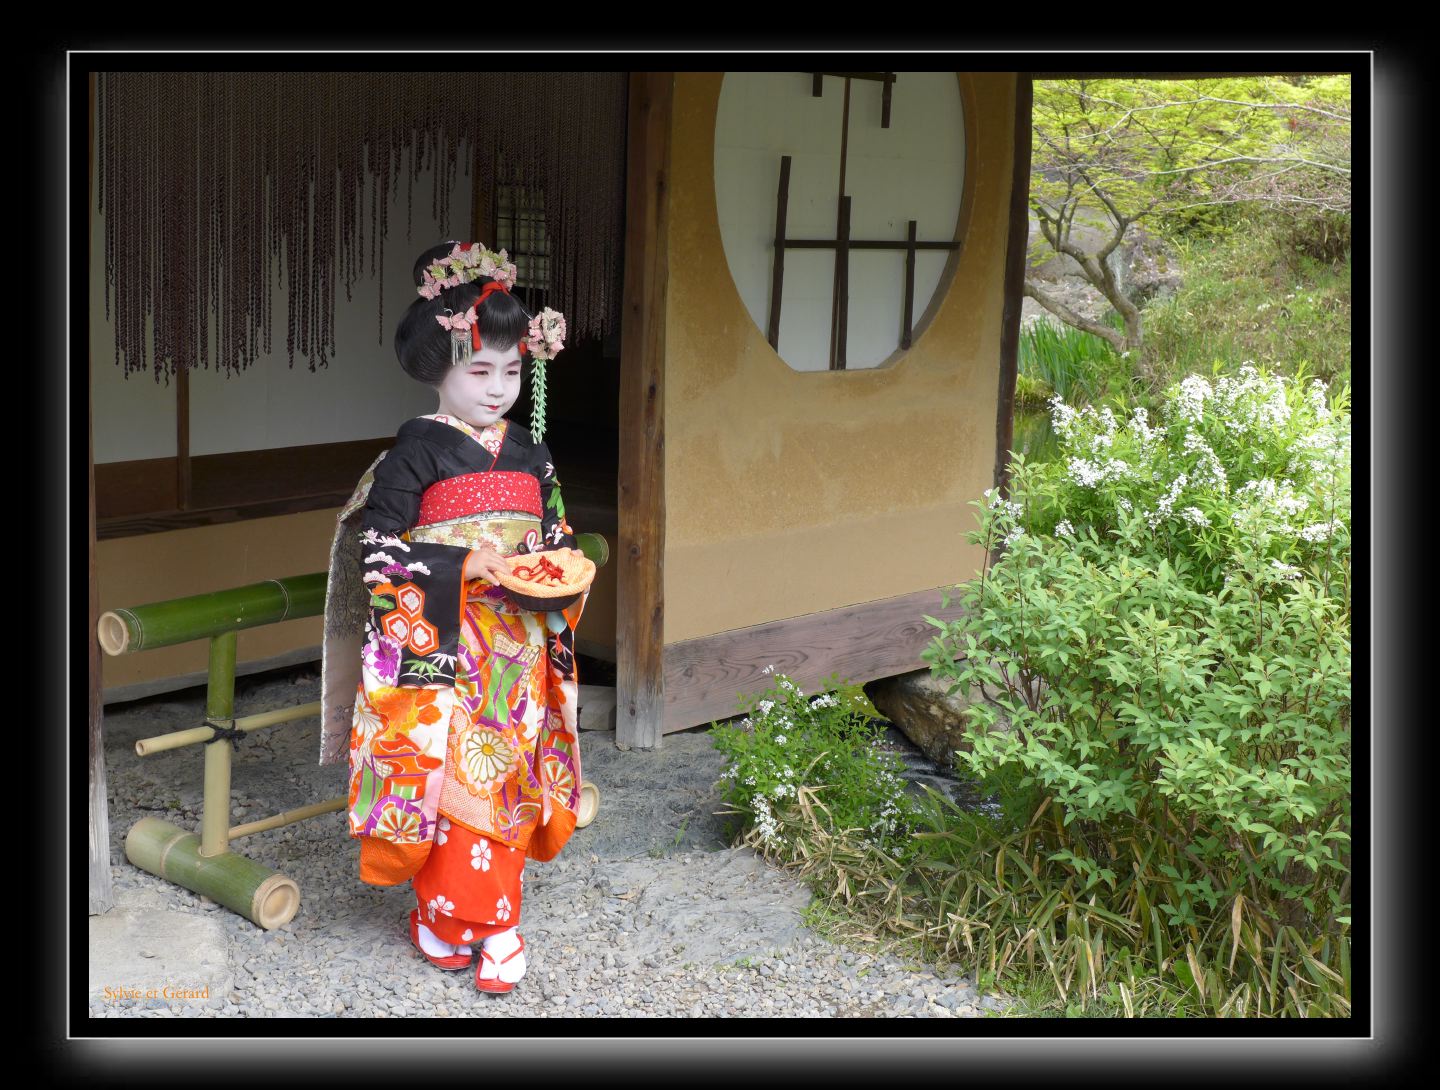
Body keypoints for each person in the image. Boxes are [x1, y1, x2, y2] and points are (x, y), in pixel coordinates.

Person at [318, 240, 587, 993]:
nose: (498, 388)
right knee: (449, 781)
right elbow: (379, 553)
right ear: (440, 368)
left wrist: (557, 565)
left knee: (509, 773)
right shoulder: (414, 456)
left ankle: (496, 922)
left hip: (519, 647)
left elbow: (554, 534)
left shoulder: (531, 453)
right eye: (480, 370)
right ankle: (444, 915)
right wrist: (463, 566)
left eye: (512, 371)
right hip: (443, 652)